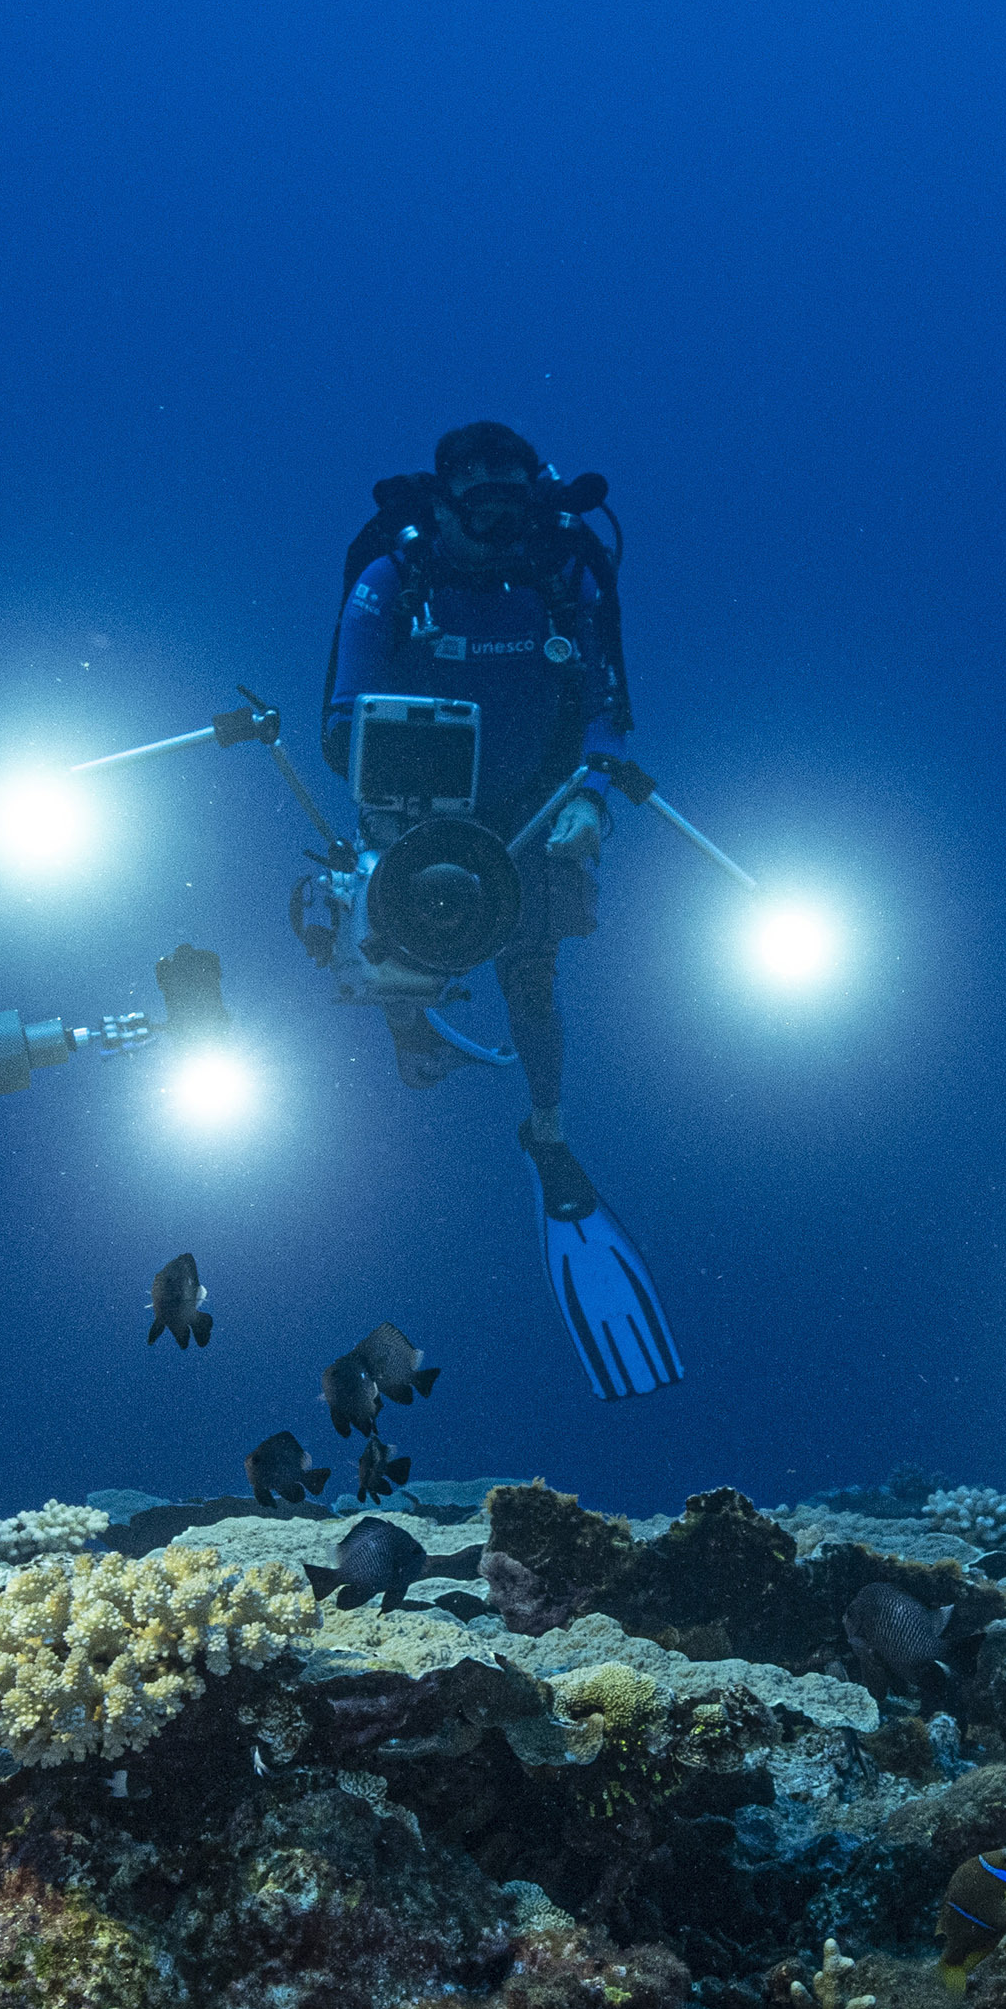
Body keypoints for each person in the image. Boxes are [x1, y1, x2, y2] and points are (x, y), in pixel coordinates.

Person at [309, 418, 683, 1394]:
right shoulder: (396, 576)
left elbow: (607, 702)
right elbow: (344, 712)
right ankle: (407, 1022)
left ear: (534, 484)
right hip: (418, 812)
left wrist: (595, 795)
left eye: (506, 475)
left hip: (538, 811)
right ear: (441, 489)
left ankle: (549, 1133)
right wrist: (388, 784)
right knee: (384, 940)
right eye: (470, 476)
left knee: (532, 971)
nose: (491, 493)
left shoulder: (568, 573)